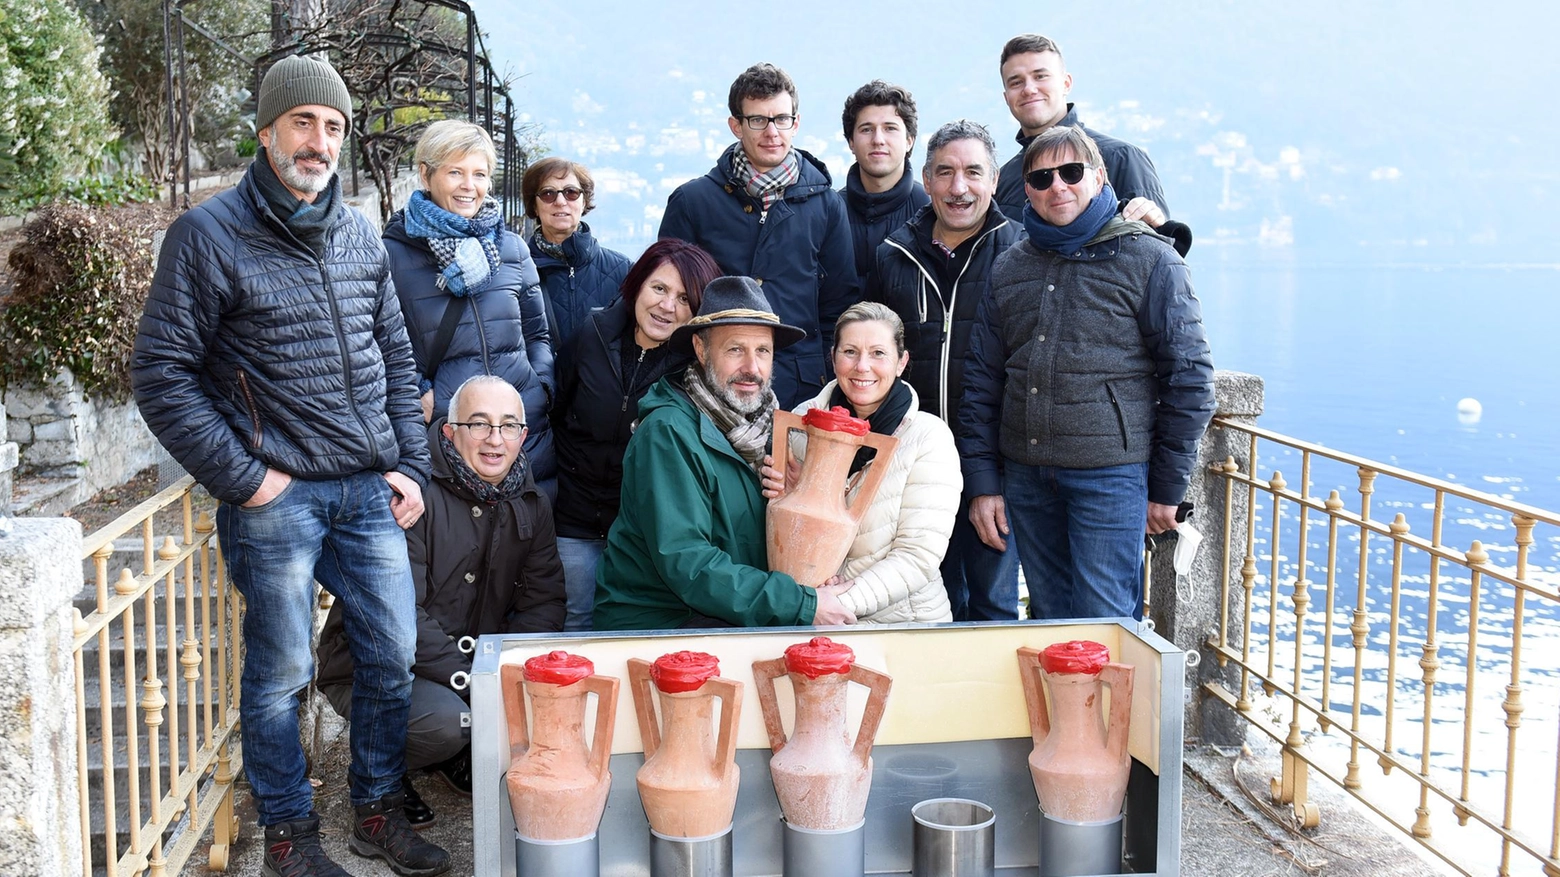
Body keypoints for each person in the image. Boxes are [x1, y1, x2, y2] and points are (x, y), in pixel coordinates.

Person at [130, 55, 449, 877]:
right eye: (303, 122)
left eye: (333, 126)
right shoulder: (207, 235)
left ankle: (375, 811)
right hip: (276, 495)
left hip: (369, 487)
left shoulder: (356, 230)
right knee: (281, 672)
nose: (319, 140)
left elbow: (394, 353)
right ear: (267, 132)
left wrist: (409, 463)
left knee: (391, 650)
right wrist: (246, 478)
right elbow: (161, 372)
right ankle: (288, 836)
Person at [959, 126, 1215, 621]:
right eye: (1042, 177)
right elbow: (982, 381)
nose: (1058, 186)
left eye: (1071, 172)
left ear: (1098, 178)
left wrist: (1167, 489)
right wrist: (985, 482)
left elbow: (1189, 379)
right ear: (1026, 189)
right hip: (1027, 479)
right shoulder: (1011, 266)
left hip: (1111, 479)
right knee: (1050, 621)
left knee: (1106, 624)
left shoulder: (1151, 259)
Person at [317, 375, 564, 827]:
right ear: (450, 432)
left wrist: (509, 673)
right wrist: (473, 680)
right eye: (479, 424)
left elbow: (544, 600)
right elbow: (395, 613)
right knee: (450, 723)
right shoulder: (412, 494)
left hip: (465, 665)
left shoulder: (531, 501)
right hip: (369, 665)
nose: (495, 439)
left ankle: (451, 752)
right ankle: (383, 773)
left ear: (524, 436)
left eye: (509, 426)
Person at [591, 276, 858, 631]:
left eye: (762, 351)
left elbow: (754, 544)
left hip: (724, 619)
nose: (752, 367)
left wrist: (812, 575)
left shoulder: (766, 429)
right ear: (701, 351)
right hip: (659, 628)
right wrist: (802, 603)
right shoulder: (667, 432)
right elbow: (689, 563)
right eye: (735, 349)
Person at [865, 120, 1023, 621]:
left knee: (992, 607)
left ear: (994, 180)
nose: (959, 188)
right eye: (946, 173)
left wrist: (988, 480)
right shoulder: (893, 256)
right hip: (911, 470)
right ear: (926, 179)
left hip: (995, 468)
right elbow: (876, 359)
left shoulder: (1021, 253)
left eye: (973, 172)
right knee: (923, 605)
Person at [658, 62, 859, 408]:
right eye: (758, 120)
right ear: (736, 125)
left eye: (781, 119)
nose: (772, 132)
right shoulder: (692, 202)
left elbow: (838, 306)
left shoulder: (827, 205)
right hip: (711, 385)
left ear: (796, 123)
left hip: (802, 388)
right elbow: (671, 297)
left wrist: (827, 381)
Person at [550, 239, 721, 630]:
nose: (666, 306)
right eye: (659, 289)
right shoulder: (592, 335)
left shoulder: (694, 372)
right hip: (573, 522)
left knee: (629, 638)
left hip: (643, 537)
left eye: (683, 298)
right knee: (575, 626)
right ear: (637, 284)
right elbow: (554, 415)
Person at [385, 120, 556, 500]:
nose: (469, 186)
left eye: (479, 174)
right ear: (426, 175)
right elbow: (379, 341)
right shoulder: (393, 255)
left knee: (531, 548)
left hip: (522, 432)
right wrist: (417, 391)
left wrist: (539, 387)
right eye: (456, 172)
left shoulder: (511, 249)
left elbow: (537, 334)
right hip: (447, 437)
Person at [760, 302, 960, 623]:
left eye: (878, 353)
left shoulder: (928, 438)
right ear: (833, 356)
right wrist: (782, 496)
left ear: (901, 362)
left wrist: (834, 604)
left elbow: (917, 556)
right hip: (810, 618)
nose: (862, 366)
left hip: (900, 623)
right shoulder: (799, 423)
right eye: (850, 351)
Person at [991, 34, 1170, 226]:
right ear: (1006, 97)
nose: (1029, 89)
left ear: (1066, 84)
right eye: (1016, 82)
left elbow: (1162, 247)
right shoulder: (1001, 181)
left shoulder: (1121, 158)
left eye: (1040, 76)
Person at [523, 157, 633, 351]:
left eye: (571, 193)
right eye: (548, 194)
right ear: (534, 206)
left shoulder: (623, 270)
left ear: (584, 202)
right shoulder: (517, 270)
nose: (560, 201)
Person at [838, 80, 929, 287]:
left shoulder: (931, 211)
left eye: (890, 128)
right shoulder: (829, 212)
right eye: (866, 129)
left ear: (910, 140)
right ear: (851, 141)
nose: (878, 139)